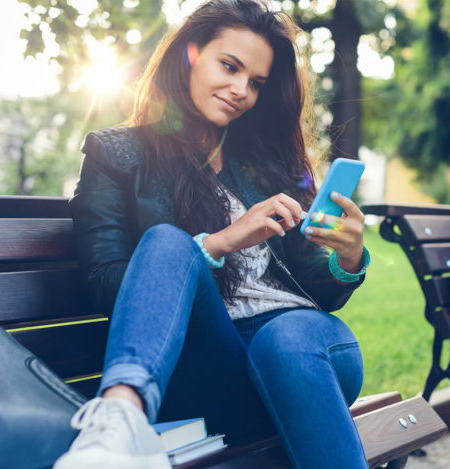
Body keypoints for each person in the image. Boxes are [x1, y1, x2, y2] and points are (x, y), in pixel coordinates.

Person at [53, 1, 371, 468]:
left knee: (282, 340)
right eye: (229, 66)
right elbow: (106, 284)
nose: (240, 90)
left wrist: (347, 259)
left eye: (256, 83)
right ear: (191, 54)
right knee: (165, 241)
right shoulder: (117, 154)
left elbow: (317, 286)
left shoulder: (268, 163)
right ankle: (118, 426)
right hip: (210, 368)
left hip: (305, 350)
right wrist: (221, 241)